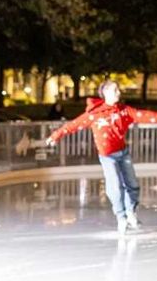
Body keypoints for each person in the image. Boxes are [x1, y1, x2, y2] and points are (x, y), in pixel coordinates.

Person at [46, 80, 144, 233]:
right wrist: (56, 135)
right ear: (106, 93)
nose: (119, 92)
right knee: (115, 186)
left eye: (118, 89)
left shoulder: (123, 110)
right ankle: (121, 216)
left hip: (123, 152)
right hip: (107, 156)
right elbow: (73, 125)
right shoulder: (94, 114)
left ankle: (130, 212)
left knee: (133, 185)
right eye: (115, 90)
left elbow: (144, 115)